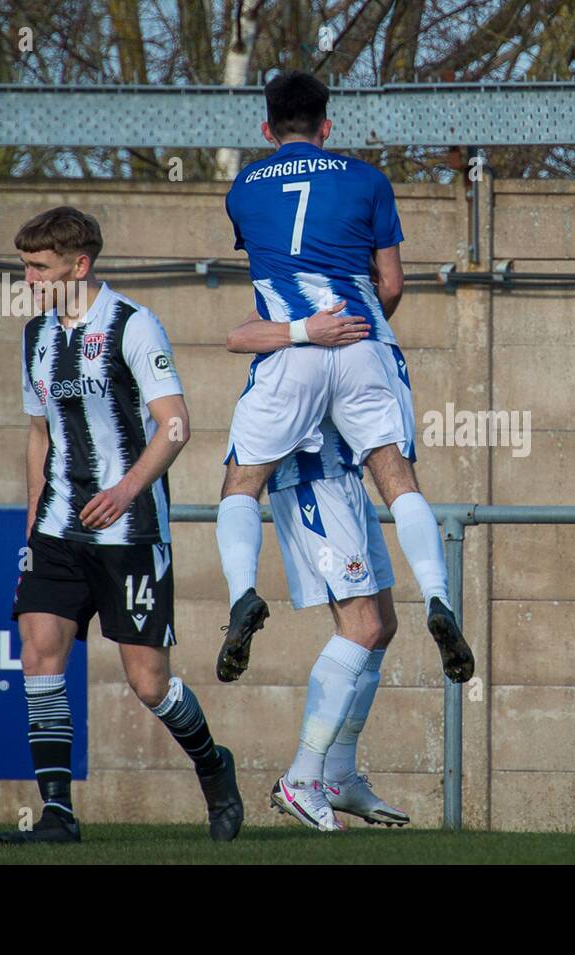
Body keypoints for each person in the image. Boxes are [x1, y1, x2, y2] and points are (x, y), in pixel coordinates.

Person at [215, 70, 472, 691]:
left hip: (292, 346)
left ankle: (243, 595)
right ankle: (438, 598)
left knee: (241, 483)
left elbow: (270, 276)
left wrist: (306, 329)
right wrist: (356, 328)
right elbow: (392, 284)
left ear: (266, 128)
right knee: (396, 477)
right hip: (360, 337)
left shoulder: (244, 188)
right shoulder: (368, 180)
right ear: (327, 127)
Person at [0, 206, 242, 844]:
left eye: (39, 268)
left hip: (130, 531)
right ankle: (58, 814)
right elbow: (37, 433)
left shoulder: (133, 326)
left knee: (148, 682)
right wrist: (33, 520)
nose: (28, 279)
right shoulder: (35, 336)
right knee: (39, 652)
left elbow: (177, 424)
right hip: (56, 530)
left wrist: (127, 487)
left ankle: (214, 766)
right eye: (25, 267)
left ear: (79, 265)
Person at [256, 413, 410, 831]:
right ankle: (301, 779)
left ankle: (338, 775)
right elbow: (239, 342)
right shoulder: (313, 345)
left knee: (383, 625)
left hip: (347, 478)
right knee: (361, 627)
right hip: (312, 480)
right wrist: (307, 339)